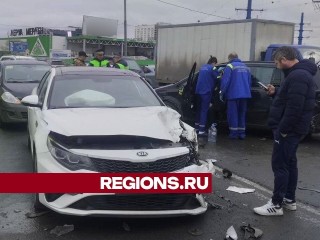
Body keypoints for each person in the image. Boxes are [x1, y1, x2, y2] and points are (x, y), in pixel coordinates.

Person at [253, 46, 316, 216]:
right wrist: (276, 92)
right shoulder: (298, 74)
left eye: (276, 62)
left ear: (284, 60)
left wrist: (283, 130)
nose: (275, 65)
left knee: (280, 165)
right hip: (294, 129)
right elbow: (292, 97)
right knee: (289, 163)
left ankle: (276, 204)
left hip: (289, 130)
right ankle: (289, 200)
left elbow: (295, 107)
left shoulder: (298, 76)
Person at [220, 52, 251, 139]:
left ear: (229, 59)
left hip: (233, 94)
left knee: (233, 114)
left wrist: (221, 93)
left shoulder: (230, 66)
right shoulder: (246, 67)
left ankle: (233, 134)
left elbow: (225, 82)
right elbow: (249, 82)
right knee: (242, 113)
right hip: (245, 95)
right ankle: (242, 133)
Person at [194, 56, 219, 136]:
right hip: (206, 92)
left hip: (198, 92)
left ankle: (196, 128)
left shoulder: (202, 67)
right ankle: (201, 131)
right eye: (215, 64)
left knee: (199, 110)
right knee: (204, 111)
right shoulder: (213, 68)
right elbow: (218, 78)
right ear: (214, 63)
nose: (215, 65)